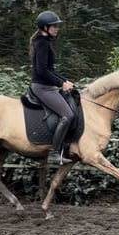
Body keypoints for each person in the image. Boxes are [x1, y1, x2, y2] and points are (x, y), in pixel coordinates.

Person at [29, 11, 74, 164]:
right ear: (45, 27)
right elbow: (41, 70)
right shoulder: (42, 43)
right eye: (54, 26)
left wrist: (65, 80)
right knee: (67, 115)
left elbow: (50, 70)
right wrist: (61, 84)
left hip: (46, 86)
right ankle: (54, 153)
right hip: (41, 87)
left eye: (57, 26)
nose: (57, 28)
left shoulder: (45, 42)